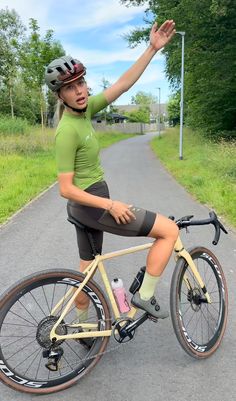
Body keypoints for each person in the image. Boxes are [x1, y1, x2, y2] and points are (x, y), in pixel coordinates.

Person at [45, 20, 178, 320]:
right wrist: (111, 204)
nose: (79, 91)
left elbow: (122, 84)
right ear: (60, 95)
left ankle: (79, 329)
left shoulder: (86, 111)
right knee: (169, 231)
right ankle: (144, 298)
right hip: (93, 205)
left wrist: (152, 49)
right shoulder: (67, 131)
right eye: (70, 87)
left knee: (85, 274)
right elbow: (65, 188)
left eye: (80, 83)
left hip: (85, 207)